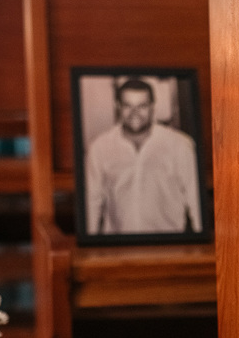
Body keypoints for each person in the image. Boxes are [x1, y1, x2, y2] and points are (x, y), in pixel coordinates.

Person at [84, 77, 202, 235]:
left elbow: (195, 199)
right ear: (118, 106)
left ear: (152, 107)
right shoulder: (99, 148)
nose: (135, 113)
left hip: (169, 244)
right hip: (117, 245)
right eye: (128, 105)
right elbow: (92, 203)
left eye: (142, 106)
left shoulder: (180, 145)